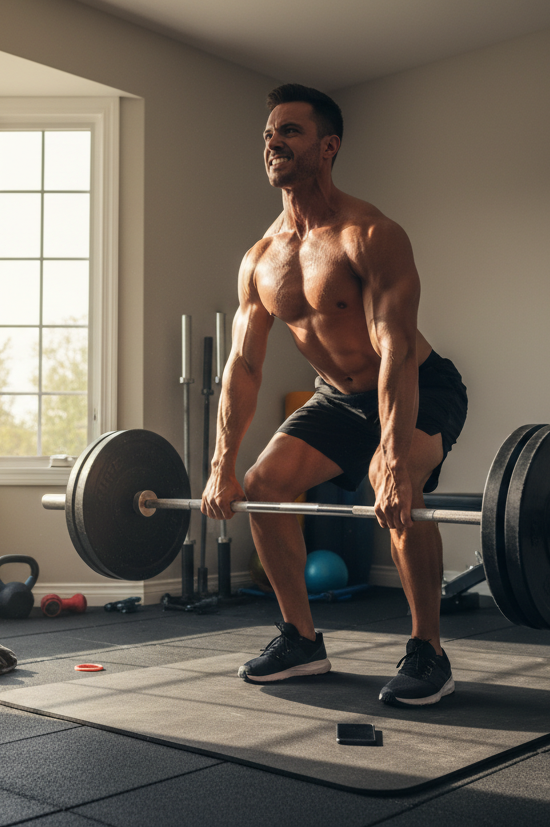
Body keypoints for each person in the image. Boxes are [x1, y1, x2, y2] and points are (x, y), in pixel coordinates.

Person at [201, 84, 467, 707]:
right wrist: (222, 465)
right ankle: (301, 640)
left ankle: (428, 649)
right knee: (265, 486)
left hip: (419, 385)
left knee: (389, 478)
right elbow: (243, 365)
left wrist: (397, 461)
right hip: (337, 397)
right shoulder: (260, 259)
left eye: (289, 131)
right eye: (268, 133)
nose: (273, 142)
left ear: (328, 147)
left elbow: (396, 349)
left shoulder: (369, 233)